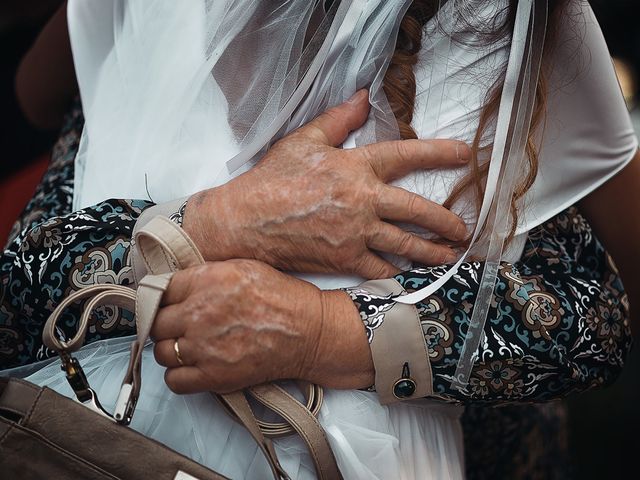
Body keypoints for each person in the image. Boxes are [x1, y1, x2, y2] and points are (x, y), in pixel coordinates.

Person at [2, 0, 637, 478]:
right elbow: (15, 296)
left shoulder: (487, 33)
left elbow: (593, 316)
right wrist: (219, 221)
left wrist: (319, 329)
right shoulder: (158, 26)